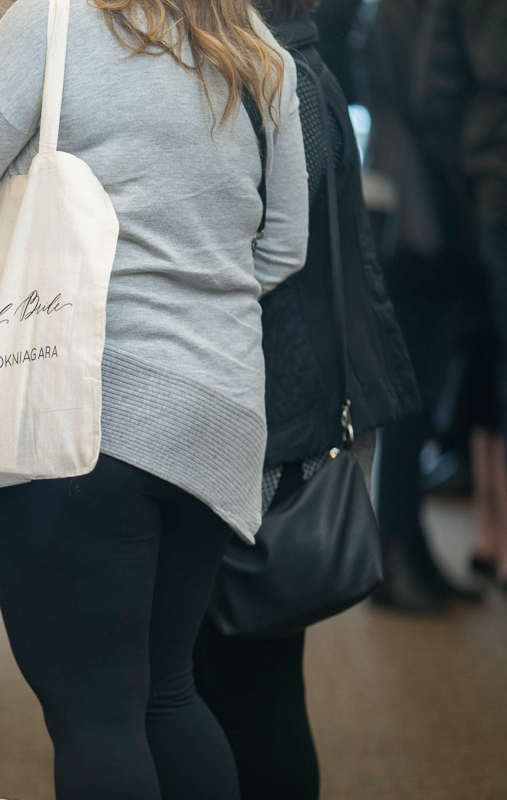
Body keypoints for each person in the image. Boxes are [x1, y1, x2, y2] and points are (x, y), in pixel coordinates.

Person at [0, 0, 308, 795]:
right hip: (215, 418)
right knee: (167, 691)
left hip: (80, 403)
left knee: (96, 714)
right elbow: (285, 245)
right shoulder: (259, 50)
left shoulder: (50, 23)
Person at [192, 1, 419, 797]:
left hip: (261, 419)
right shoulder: (294, 66)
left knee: (241, 683)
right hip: (282, 407)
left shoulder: (269, 80)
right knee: (254, 678)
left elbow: (257, 258)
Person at [366, 0, 507, 611]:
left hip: (422, 183)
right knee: (415, 380)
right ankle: (397, 547)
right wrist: (477, 182)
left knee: (416, 378)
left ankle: (405, 544)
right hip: (449, 196)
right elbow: (454, 88)